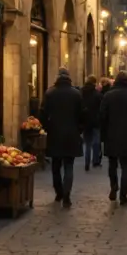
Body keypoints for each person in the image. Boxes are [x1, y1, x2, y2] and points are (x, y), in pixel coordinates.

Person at [40, 68, 83, 208]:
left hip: (55, 133)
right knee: (69, 165)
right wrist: (79, 129)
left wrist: (47, 127)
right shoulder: (76, 94)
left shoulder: (50, 93)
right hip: (71, 134)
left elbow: (43, 113)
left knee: (56, 165)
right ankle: (67, 195)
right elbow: (82, 114)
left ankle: (59, 192)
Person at [99, 70, 127, 204]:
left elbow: (102, 116)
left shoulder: (108, 96)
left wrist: (103, 134)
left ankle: (114, 186)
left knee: (112, 164)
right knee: (126, 166)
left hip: (111, 134)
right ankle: (123, 196)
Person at [81, 75, 103, 171]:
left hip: (85, 121)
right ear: (94, 83)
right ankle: (95, 161)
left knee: (87, 143)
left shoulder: (81, 93)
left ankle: (86, 162)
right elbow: (101, 109)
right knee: (96, 142)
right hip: (95, 121)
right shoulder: (98, 95)